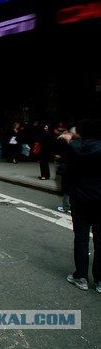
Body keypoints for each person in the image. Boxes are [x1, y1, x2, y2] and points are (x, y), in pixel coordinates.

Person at [59, 119, 101, 293]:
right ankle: (99, 280)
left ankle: (81, 276)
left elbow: (64, 170)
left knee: (81, 238)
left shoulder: (74, 147)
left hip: (80, 198)